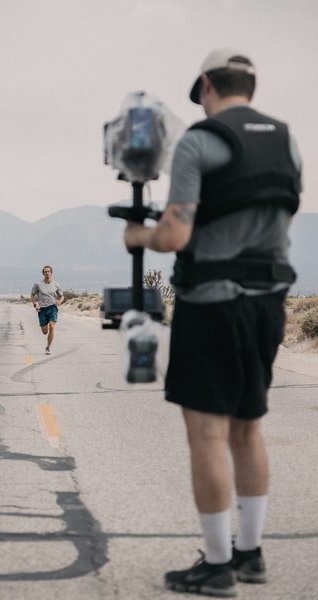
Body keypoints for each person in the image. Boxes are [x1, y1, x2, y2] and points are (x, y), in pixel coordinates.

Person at [123, 48, 302, 597]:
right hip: (268, 303)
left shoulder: (200, 140)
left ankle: (217, 564)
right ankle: (251, 555)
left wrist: (139, 236)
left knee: (208, 433)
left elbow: (175, 235)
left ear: (205, 85)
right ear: (251, 83)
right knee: (248, 429)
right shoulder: (287, 139)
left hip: (212, 303)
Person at [31, 265, 64, 355]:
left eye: (48, 271)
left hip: (52, 307)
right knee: (45, 331)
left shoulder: (56, 284)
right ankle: (46, 333)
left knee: (52, 326)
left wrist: (60, 301)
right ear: (43, 273)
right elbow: (32, 295)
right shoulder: (38, 284)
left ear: (51, 273)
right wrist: (35, 304)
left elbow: (61, 296)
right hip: (42, 309)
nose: (47, 273)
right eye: (45, 272)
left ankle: (48, 347)